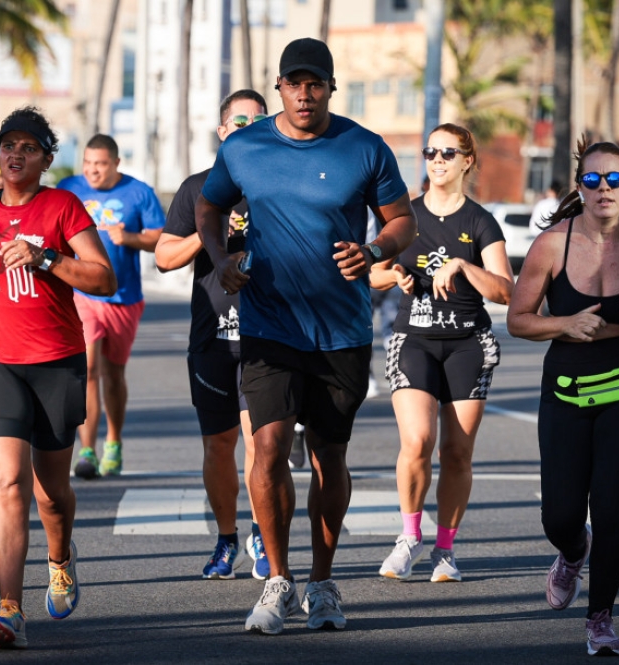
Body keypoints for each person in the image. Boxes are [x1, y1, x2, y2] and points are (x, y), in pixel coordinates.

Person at [195, 37, 416, 635]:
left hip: (341, 329)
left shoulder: (364, 147)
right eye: (294, 83)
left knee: (328, 456)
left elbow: (403, 221)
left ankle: (321, 581)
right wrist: (219, 257)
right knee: (266, 449)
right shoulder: (244, 148)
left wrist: (374, 249)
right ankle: (278, 580)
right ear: (280, 88)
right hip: (268, 324)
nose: (304, 94)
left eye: (315, 83)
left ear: (330, 88)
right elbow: (208, 207)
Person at [0, 106, 116, 649]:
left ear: (46, 159)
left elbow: (103, 279)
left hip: (56, 361)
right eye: (8, 145)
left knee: (50, 493)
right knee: (8, 481)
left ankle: (60, 558)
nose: (16, 155)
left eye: (28, 147)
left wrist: (45, 257)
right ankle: (9, 609)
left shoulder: (62, 207)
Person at [506, 137, 619, 656]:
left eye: (614, 179)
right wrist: (564, 323)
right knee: (559, 516)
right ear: (579, 188)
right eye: (592, 179)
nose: (604, 189)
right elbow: (518, 320)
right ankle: (572, 551)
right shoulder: (551, 245)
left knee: (611, 511)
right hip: (566, 390)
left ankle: (600, 619)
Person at [370, 123, 513, 583]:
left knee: (456, 453)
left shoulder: (481, 221)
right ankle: (409, 537)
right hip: (413, 339)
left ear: (467, 161)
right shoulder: (405, 216)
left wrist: (465, 267)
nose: (437, 160)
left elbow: (505, 291)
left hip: (468, 344)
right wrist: (393, 276)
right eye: (430, 151)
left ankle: (445, 550)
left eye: (448, 153)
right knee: (417, 441)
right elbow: (370, 273)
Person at [155, 89, 272, 581]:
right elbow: (164, 258)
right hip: (212, 338)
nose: (248, 129)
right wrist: (210, 232)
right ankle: (227, 539)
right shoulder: (198, 188)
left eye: (259, 122)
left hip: (267, 336)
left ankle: (264, 535)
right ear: (223, 131)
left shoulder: (278, 183)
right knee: (218, 446)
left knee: (261, 444)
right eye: (238, 122)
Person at [57, 135, 166, 479]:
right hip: (82, 294)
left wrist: (129, 238)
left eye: (101, 164)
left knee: (114, 374)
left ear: (116, 163)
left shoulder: (139, 192)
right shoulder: (68, 188)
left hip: (123, 296)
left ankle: (114, 443)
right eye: (88, 163)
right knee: (88, 368)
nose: (93, 170)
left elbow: (161, 238)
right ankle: (87, 450)